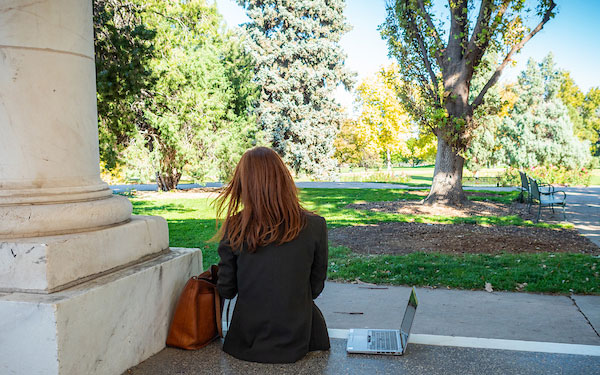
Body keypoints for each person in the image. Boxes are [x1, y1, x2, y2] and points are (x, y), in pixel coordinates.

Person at [214, 146, 330, 363]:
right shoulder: (315, 225)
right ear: (284, 180)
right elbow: (315, 288)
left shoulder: (235, 227)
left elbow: (226, 290)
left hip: (246, 342)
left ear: (243, 184)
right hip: (302, 338)